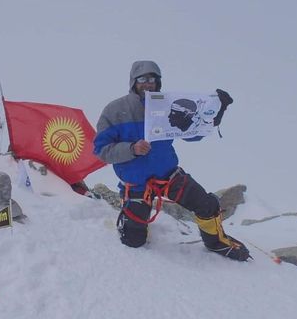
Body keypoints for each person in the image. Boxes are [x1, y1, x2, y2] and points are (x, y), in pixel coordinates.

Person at [93, 60, 249, 261]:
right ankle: (129, 217)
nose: (148, 83)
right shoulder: (115, 111)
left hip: (168, 175)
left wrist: (217, 112)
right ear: (133, 82)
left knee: (208, 205)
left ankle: (216, 243)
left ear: (158, 83)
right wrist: (132, 149)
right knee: (134, 240)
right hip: (136, 183)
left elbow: (193, 133)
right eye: (142, 79)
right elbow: (101, 149)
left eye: (153, 79)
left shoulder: (168, 106)